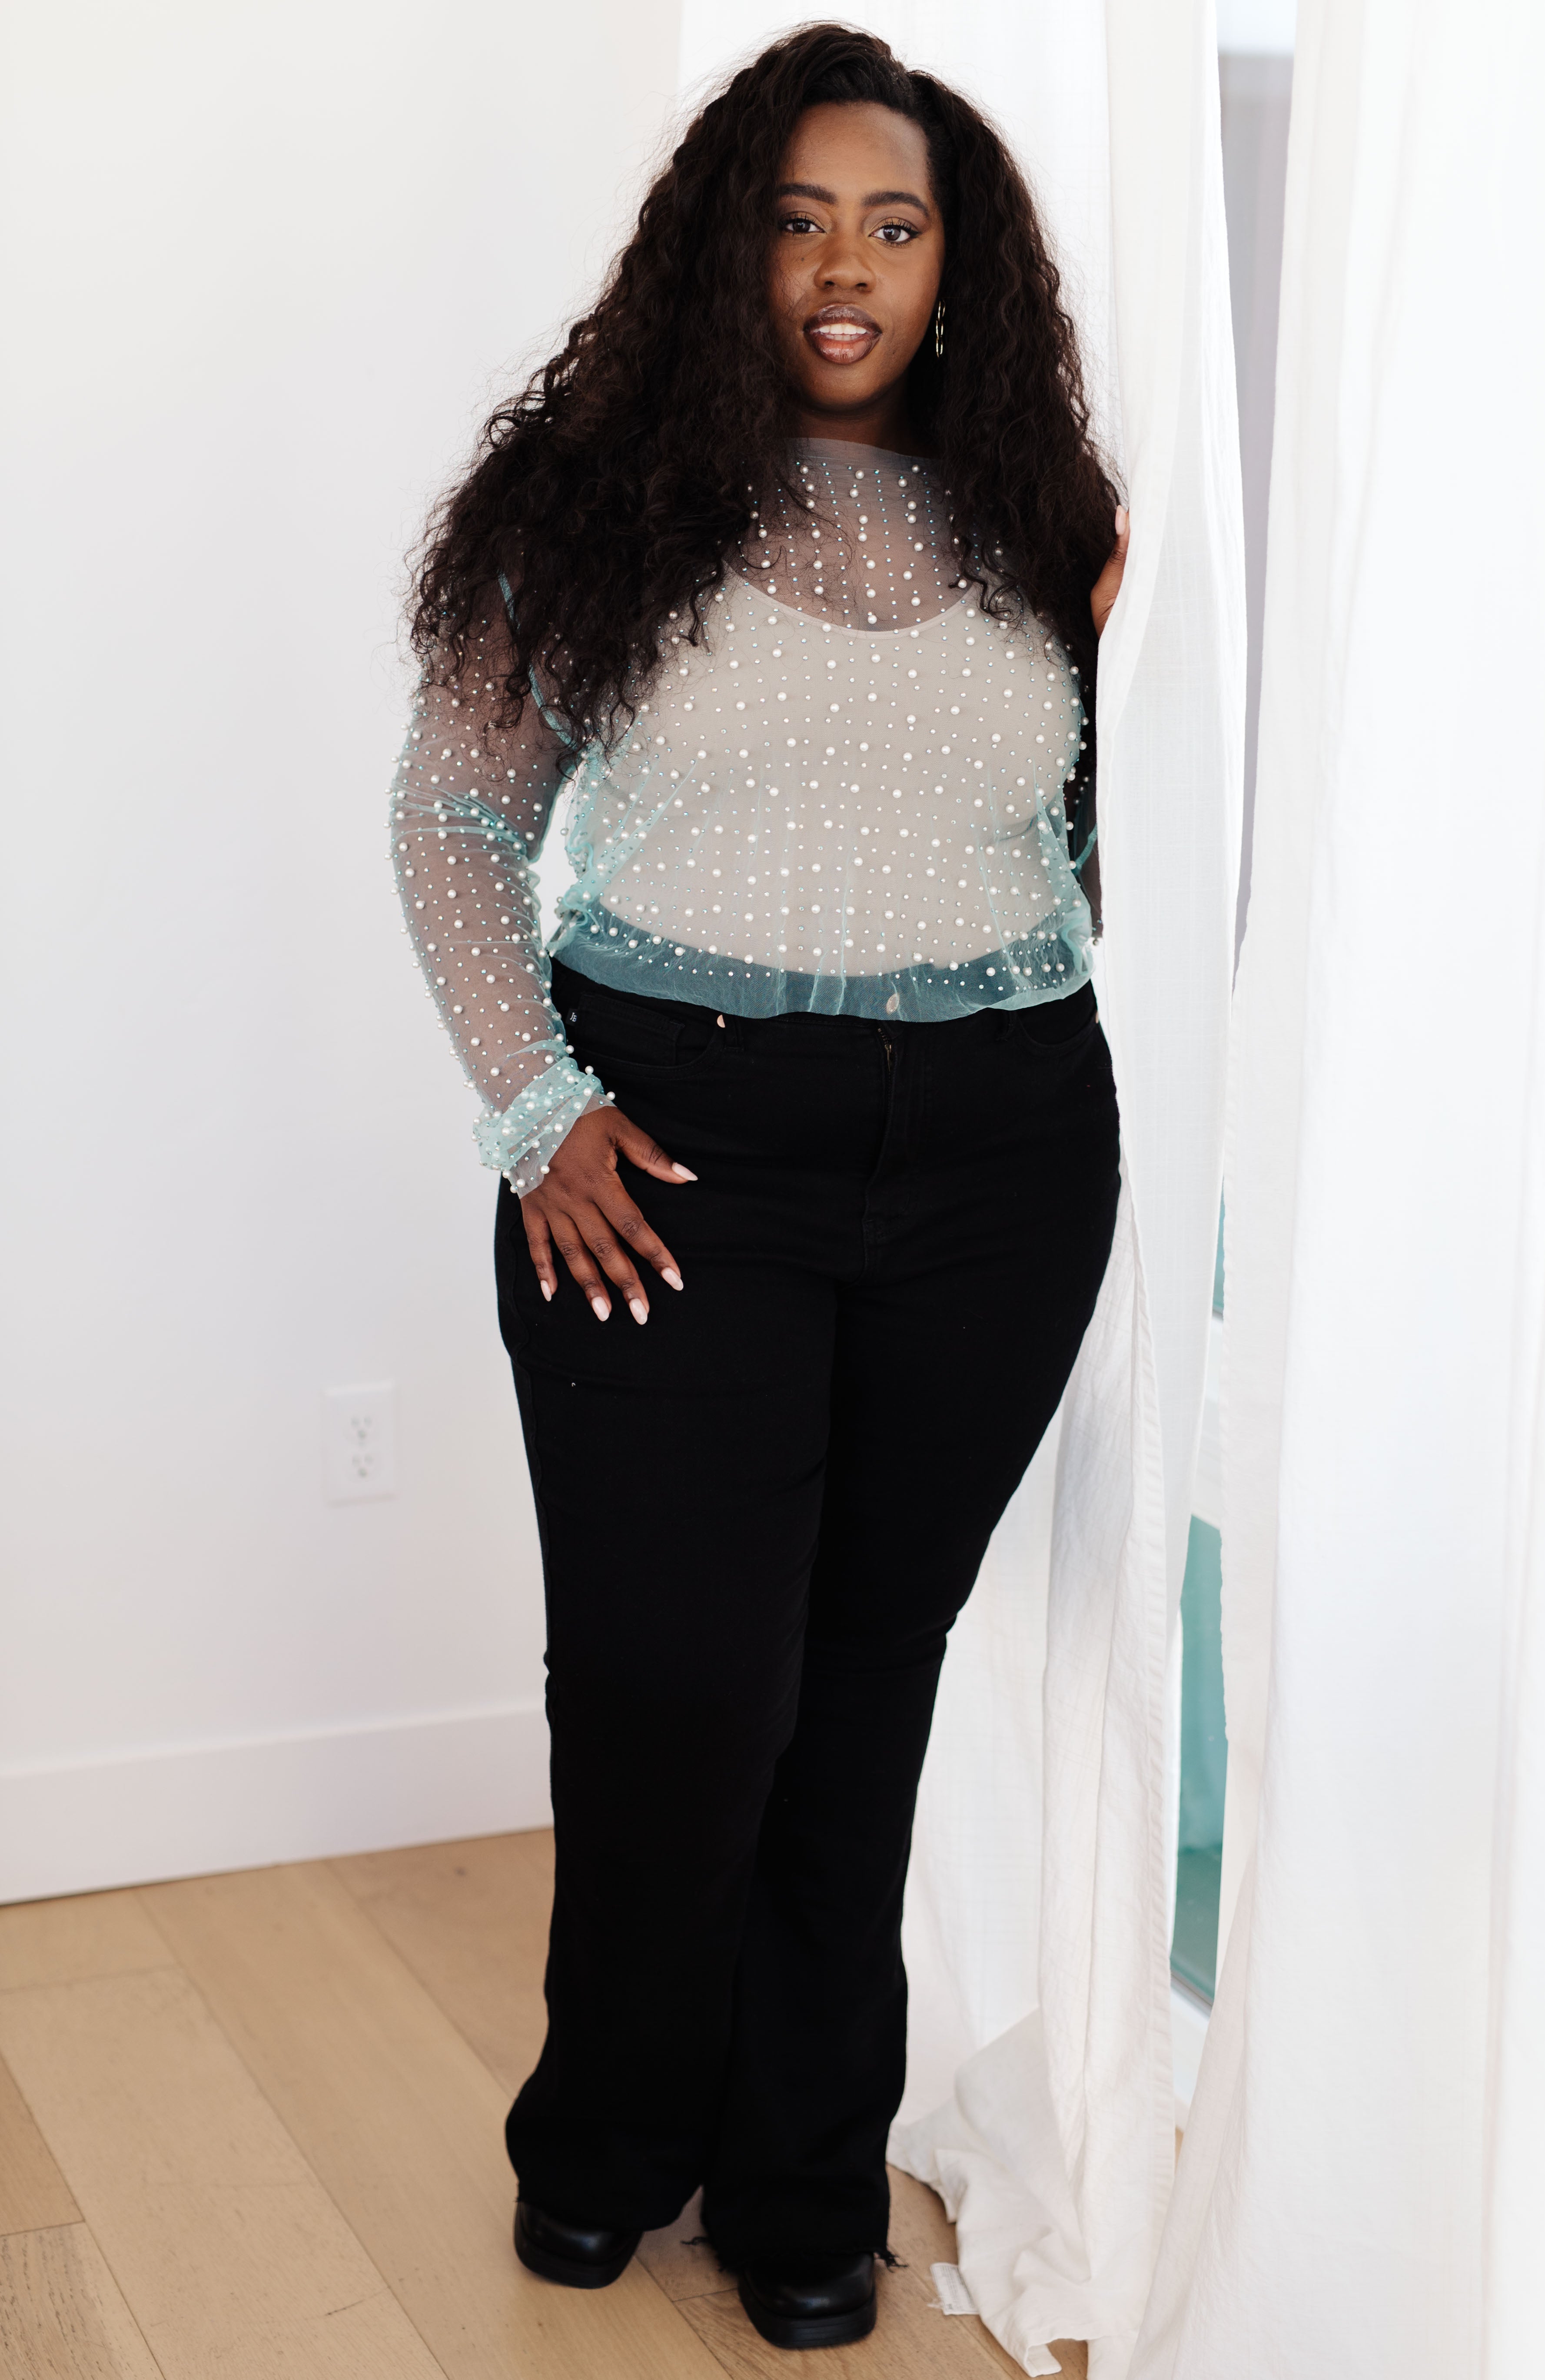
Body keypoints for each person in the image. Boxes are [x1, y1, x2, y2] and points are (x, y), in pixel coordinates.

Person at [392, 24, 1127, 2354]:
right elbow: (455, 816)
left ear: (954, 266)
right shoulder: (592, 502)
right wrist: (540, 1111)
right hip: (672, 1143)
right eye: (801, 221)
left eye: (893, 226)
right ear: (729, 246)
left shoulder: (1046, 513)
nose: (845, 268)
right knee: (673, 1683)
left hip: (1001, 1148)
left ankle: (806, 2172)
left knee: (861, 1684)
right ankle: (611, 2131)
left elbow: (1085, 836)